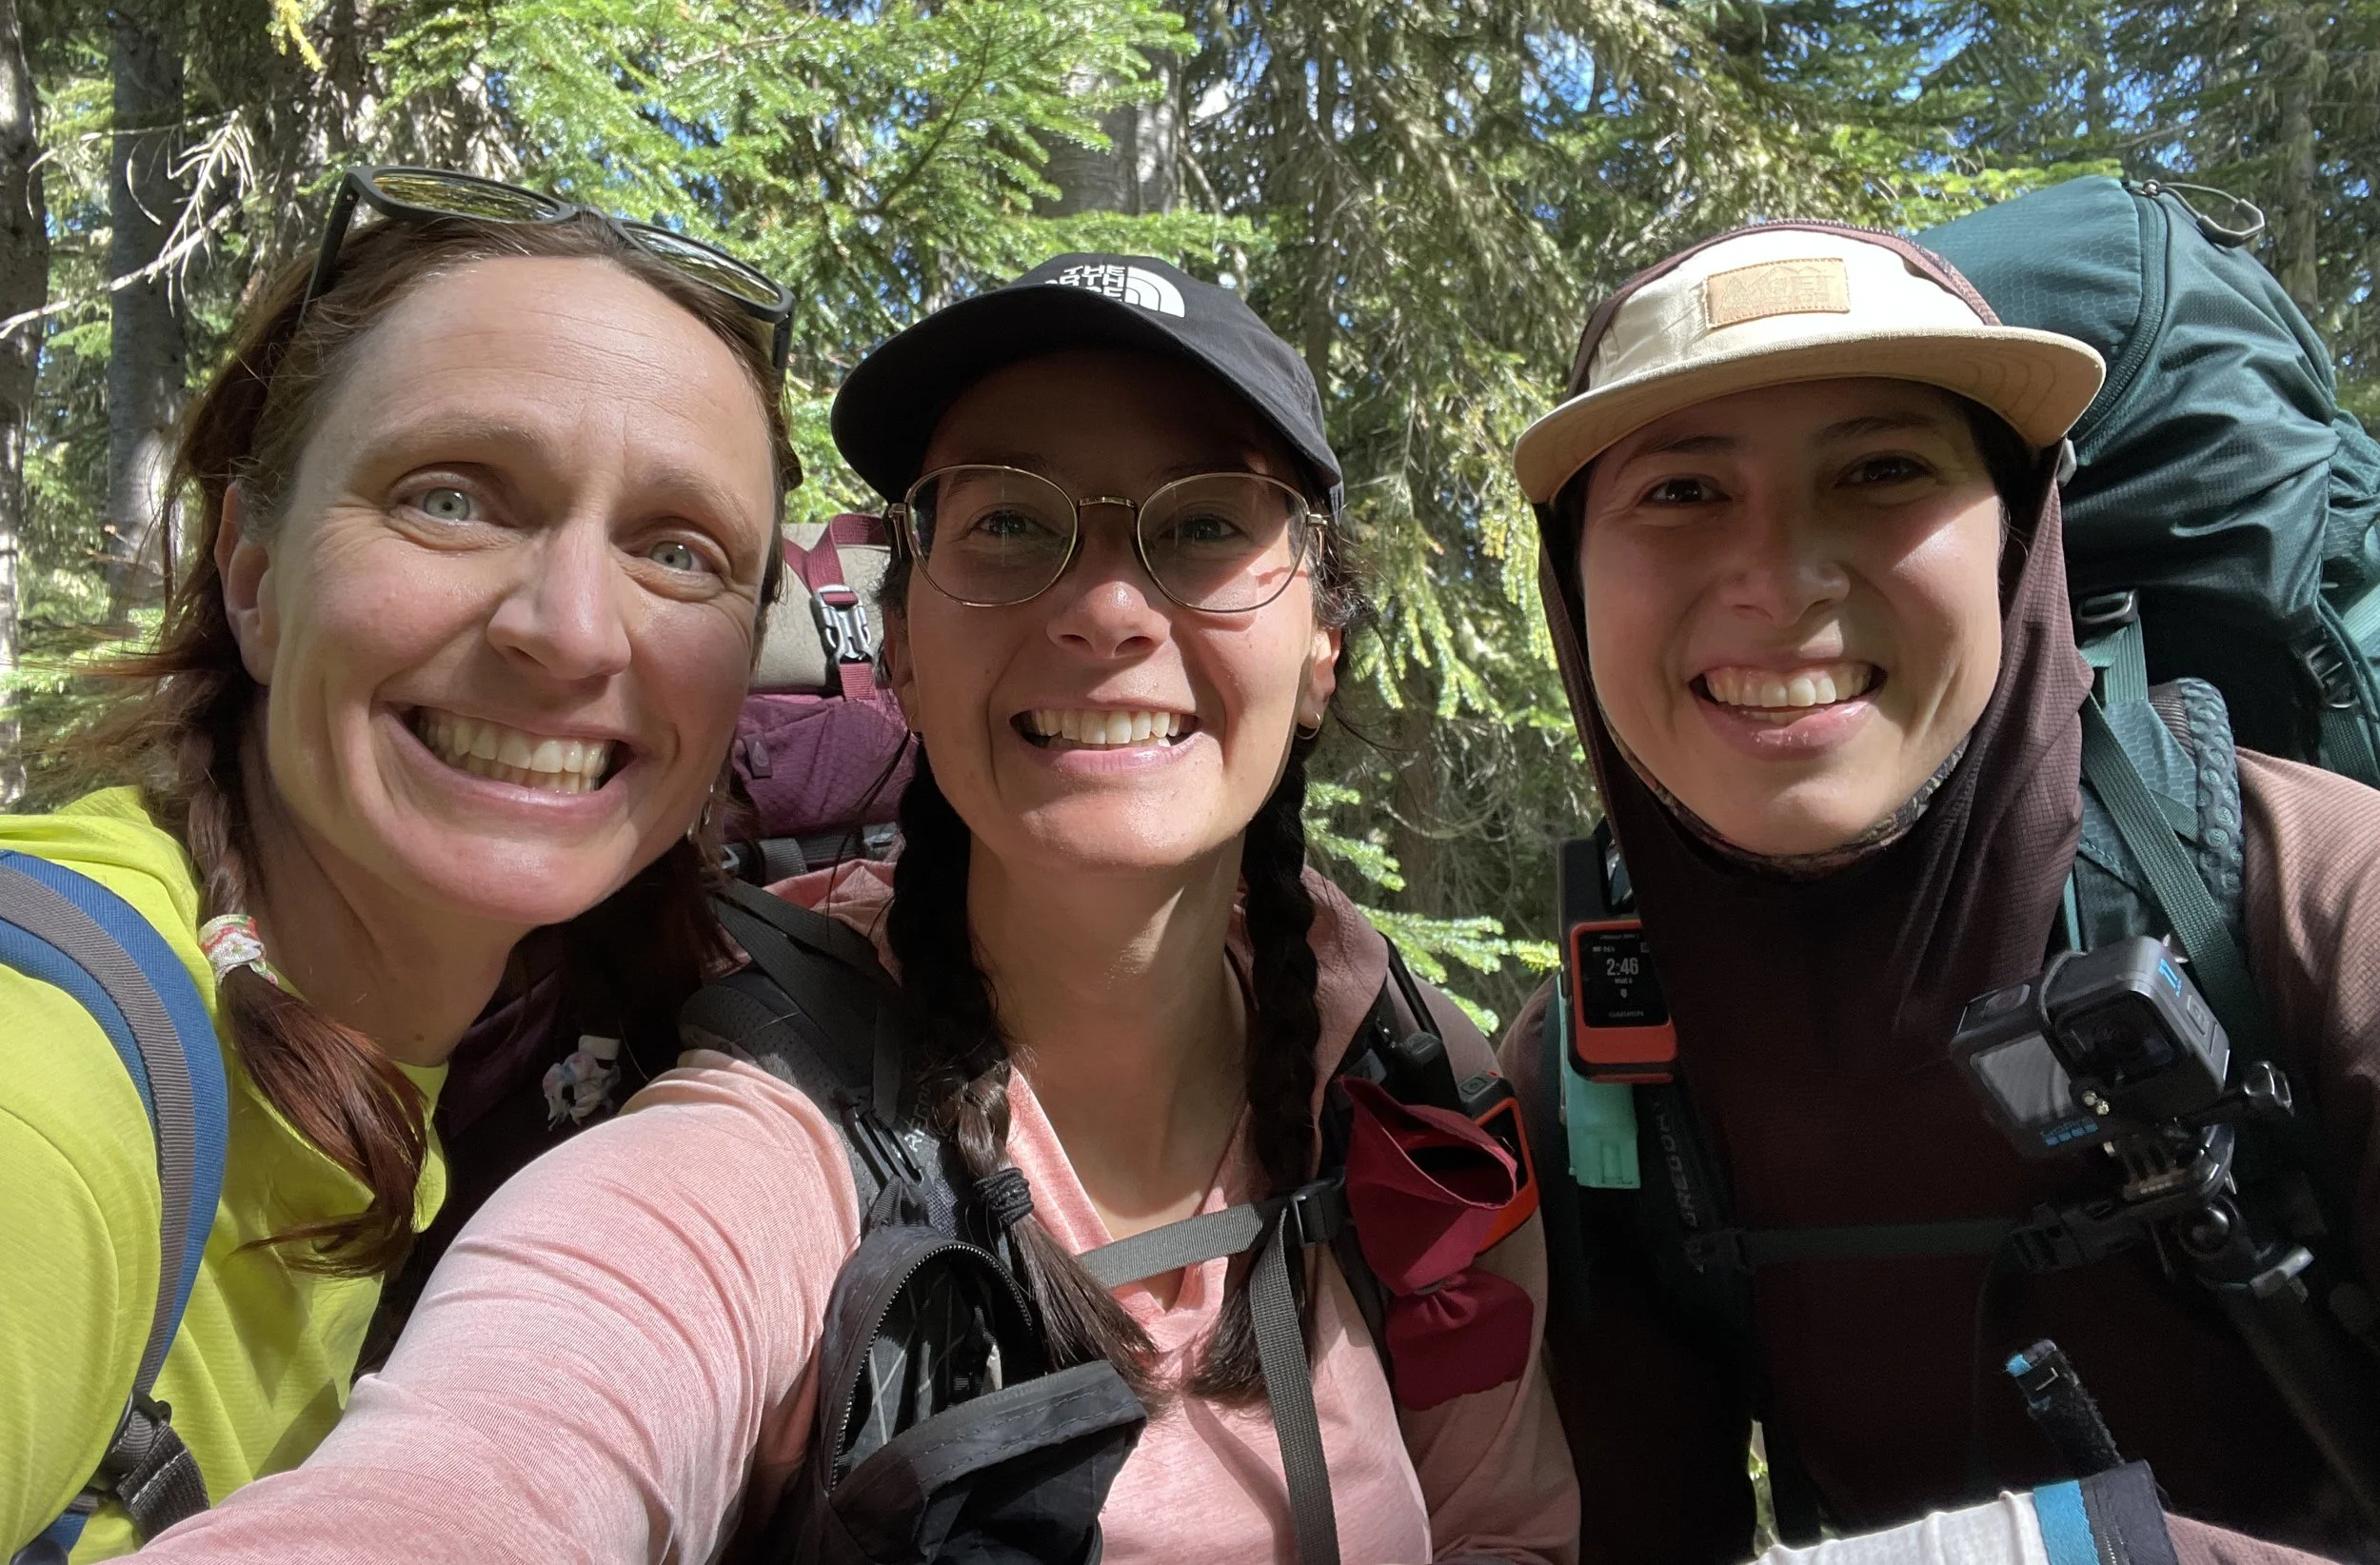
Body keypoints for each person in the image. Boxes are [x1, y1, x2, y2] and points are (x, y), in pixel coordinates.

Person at [129, 254, 1580, 1565]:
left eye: (1204, 526)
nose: (1108, 610)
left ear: (1321, 643)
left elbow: (1501, 1523)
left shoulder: (1397, 1069)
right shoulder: (775, 1122)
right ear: (901, 646)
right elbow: (494, 1458)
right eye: (1009, 523)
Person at [1500, 222, 2380, 1565]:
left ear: (2020, 536)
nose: (1781, 577)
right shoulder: (1594, 1073)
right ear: (1572, 576)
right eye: (1681, 490)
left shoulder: (2321, 910)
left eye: (1882, 470)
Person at [1, 166, 803, 1560]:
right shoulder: (55, 1085)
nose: (571, 628)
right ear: (252, 574)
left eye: (679, 552)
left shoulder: (498, 1029)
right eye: (452, 500)